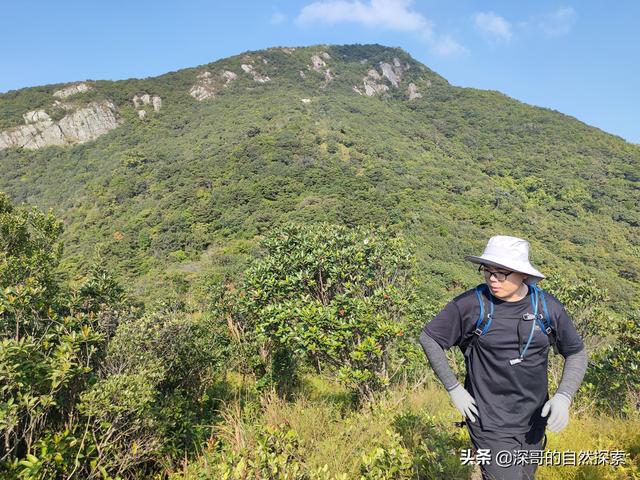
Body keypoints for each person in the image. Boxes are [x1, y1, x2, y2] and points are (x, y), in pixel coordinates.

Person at [419, 235, 588, 480]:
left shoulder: (547, 308)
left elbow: (576, 352)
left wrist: (564, 396)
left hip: (534, 420)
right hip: (489, 420)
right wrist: (454, 388)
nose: (492, 279)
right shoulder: (471, 305)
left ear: (523, 275)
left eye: (502, 273)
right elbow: (429, 338)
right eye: (487, 271)